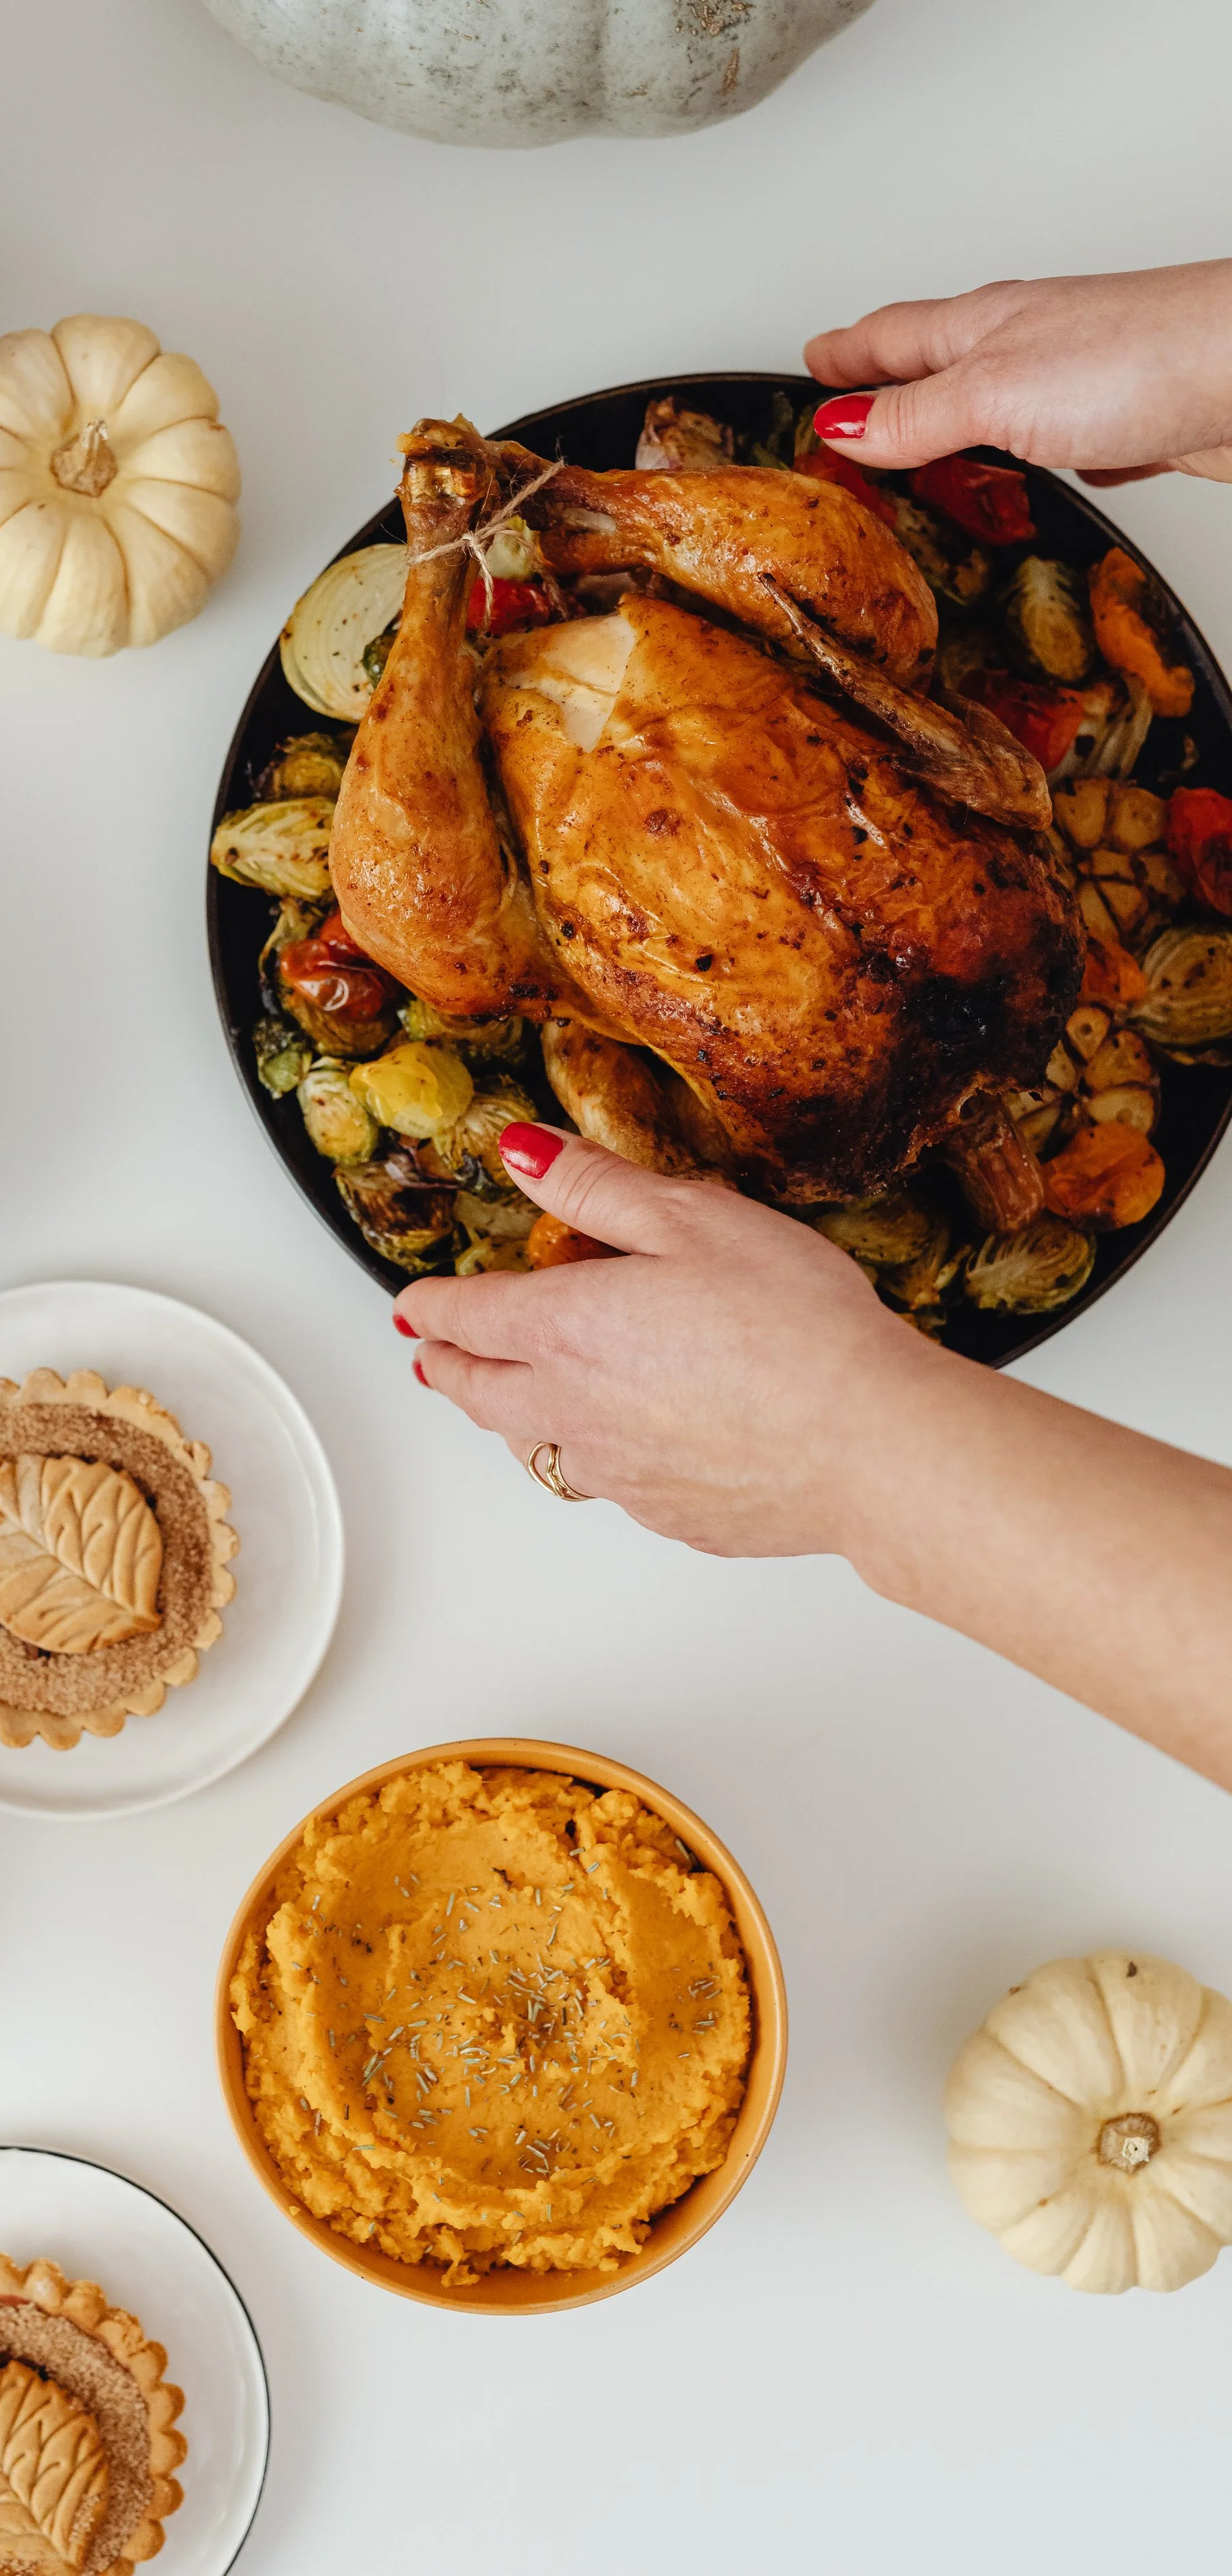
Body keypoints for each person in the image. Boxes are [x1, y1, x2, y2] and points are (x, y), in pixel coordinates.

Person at [392, 264, 1232, 1792]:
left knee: (456, 960)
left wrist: (850, 1442)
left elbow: (595, 1059)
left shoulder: (858, 1112)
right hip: (731, 659)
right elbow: (979, 762)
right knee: (880, 621)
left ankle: (442, 572)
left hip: (598, 852)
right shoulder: (1021, 966)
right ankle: (547, 516)